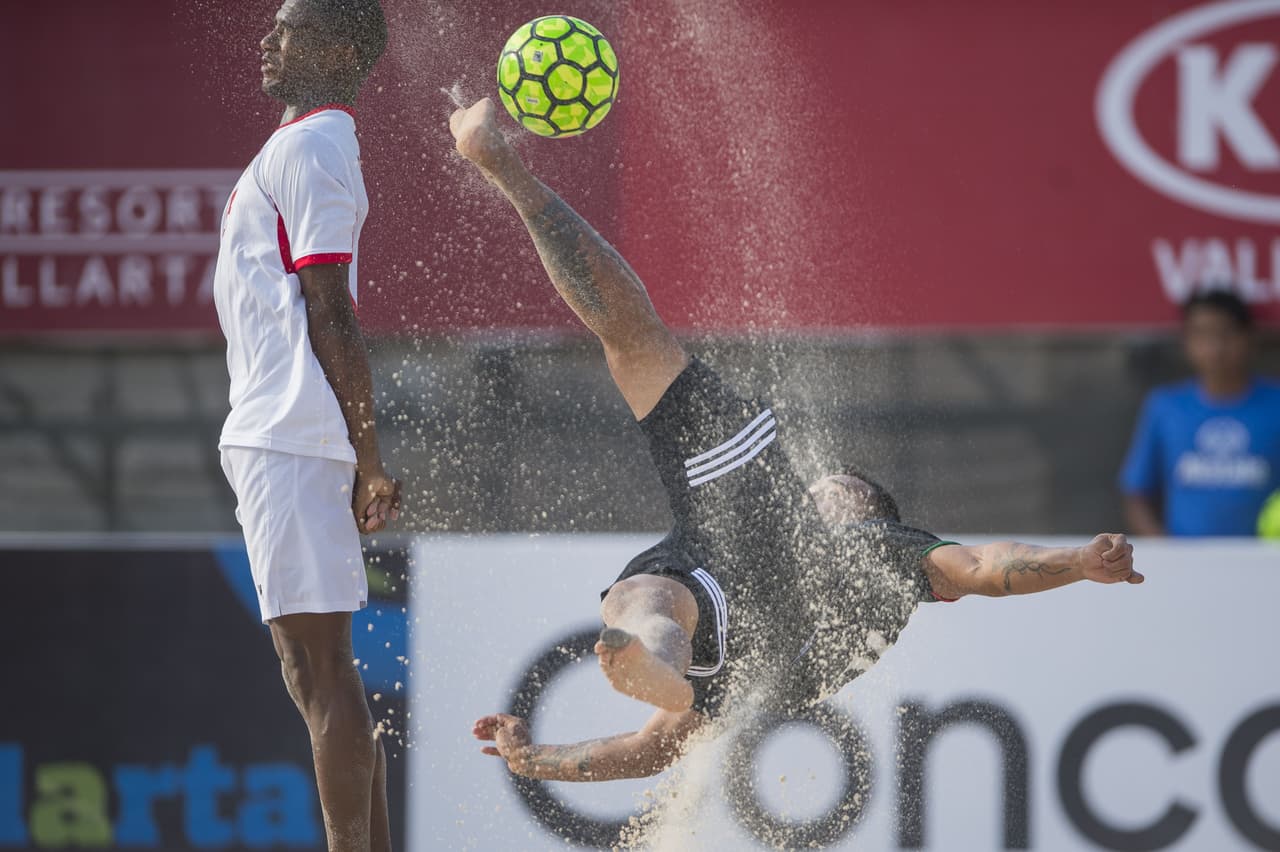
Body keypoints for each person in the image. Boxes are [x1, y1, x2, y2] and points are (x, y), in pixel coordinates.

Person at [448, 98, 1143, 783]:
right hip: (727, 542)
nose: (828, 480)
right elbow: (650, 751)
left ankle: (660, 657)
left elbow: (986, 565)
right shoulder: (794, 514)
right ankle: (655, 661)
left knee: (653, 583)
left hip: (764, 614)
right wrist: (530, 759)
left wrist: (1078, 561)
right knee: (641, 571)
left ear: (872, 509)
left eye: (845, 485)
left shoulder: (883, 554)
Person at [213, 2, 399, 849]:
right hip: (288, 433)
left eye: (286, 26)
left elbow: (332, 313)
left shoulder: (314, 144)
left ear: (336, 46)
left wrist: (369, 457)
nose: (267, 38)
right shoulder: (304, 145)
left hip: (291, 433)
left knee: (319, 674)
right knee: (327, 676)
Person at [1121, 291, 1280, 537]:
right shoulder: (1165, 406)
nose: (1215, 348)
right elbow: (1137, 494)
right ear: (1186, 342)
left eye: (1227, 333)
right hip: (1189, 564)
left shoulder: (1275, 403)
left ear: (1249, 337)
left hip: (1265, 563)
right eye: (1202, 335)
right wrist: (1168, 553)